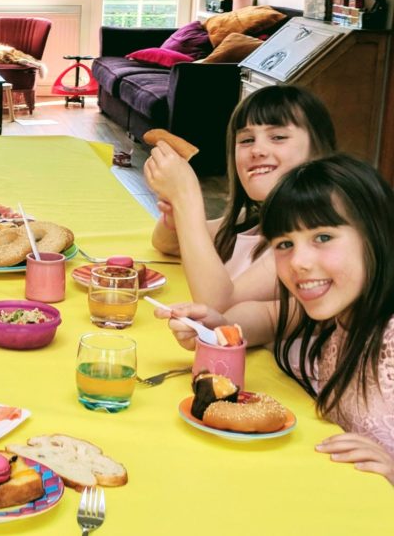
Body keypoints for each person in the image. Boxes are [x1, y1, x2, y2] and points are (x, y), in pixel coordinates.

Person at [155, 154, 394, 486]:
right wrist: (219, 326)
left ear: (377, 233)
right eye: (284, 244)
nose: (299, 262)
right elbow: (269, 314)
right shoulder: (339, 311)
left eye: (322, 237)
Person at [144, 85, 336, 310]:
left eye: (278, 137)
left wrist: (186, 197)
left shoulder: (308, 238)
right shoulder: (256, 218)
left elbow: (220, 307)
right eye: (246, 140)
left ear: (319, 151)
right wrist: (174, 207)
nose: (257, 150)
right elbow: (167, 244)